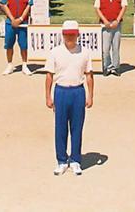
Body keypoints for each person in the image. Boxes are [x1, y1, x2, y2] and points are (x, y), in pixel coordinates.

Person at [44, 20, 94, 176]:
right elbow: (49, 75)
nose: (70, 38)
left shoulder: (85, 52)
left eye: (72, 35)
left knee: (77, 128)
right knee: (60, 128)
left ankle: (75, 160)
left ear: (77, 35)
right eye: (67, 35)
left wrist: (90, 95)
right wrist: (48, 96)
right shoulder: (55, 52)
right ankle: (61, 160)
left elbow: (89, 75)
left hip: (78, 91)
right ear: (63, 35)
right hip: (61, 92)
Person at [0, 0, 33, 75]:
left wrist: (21, 19)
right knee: (9, 44)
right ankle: (9, 65)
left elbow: (29, 5)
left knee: (23, 45)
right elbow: (3, 4)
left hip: (23, 23)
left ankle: (24, 65)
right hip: (10, 22)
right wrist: (13, 19)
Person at [94, 0, 126, 76]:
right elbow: (97, 8)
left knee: (116, 47)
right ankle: (106, 67)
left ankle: (116, 67)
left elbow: (124, 7)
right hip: (105, 24)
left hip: (117, 23)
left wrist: (117, 20)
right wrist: (105, 21)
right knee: (105, 48)